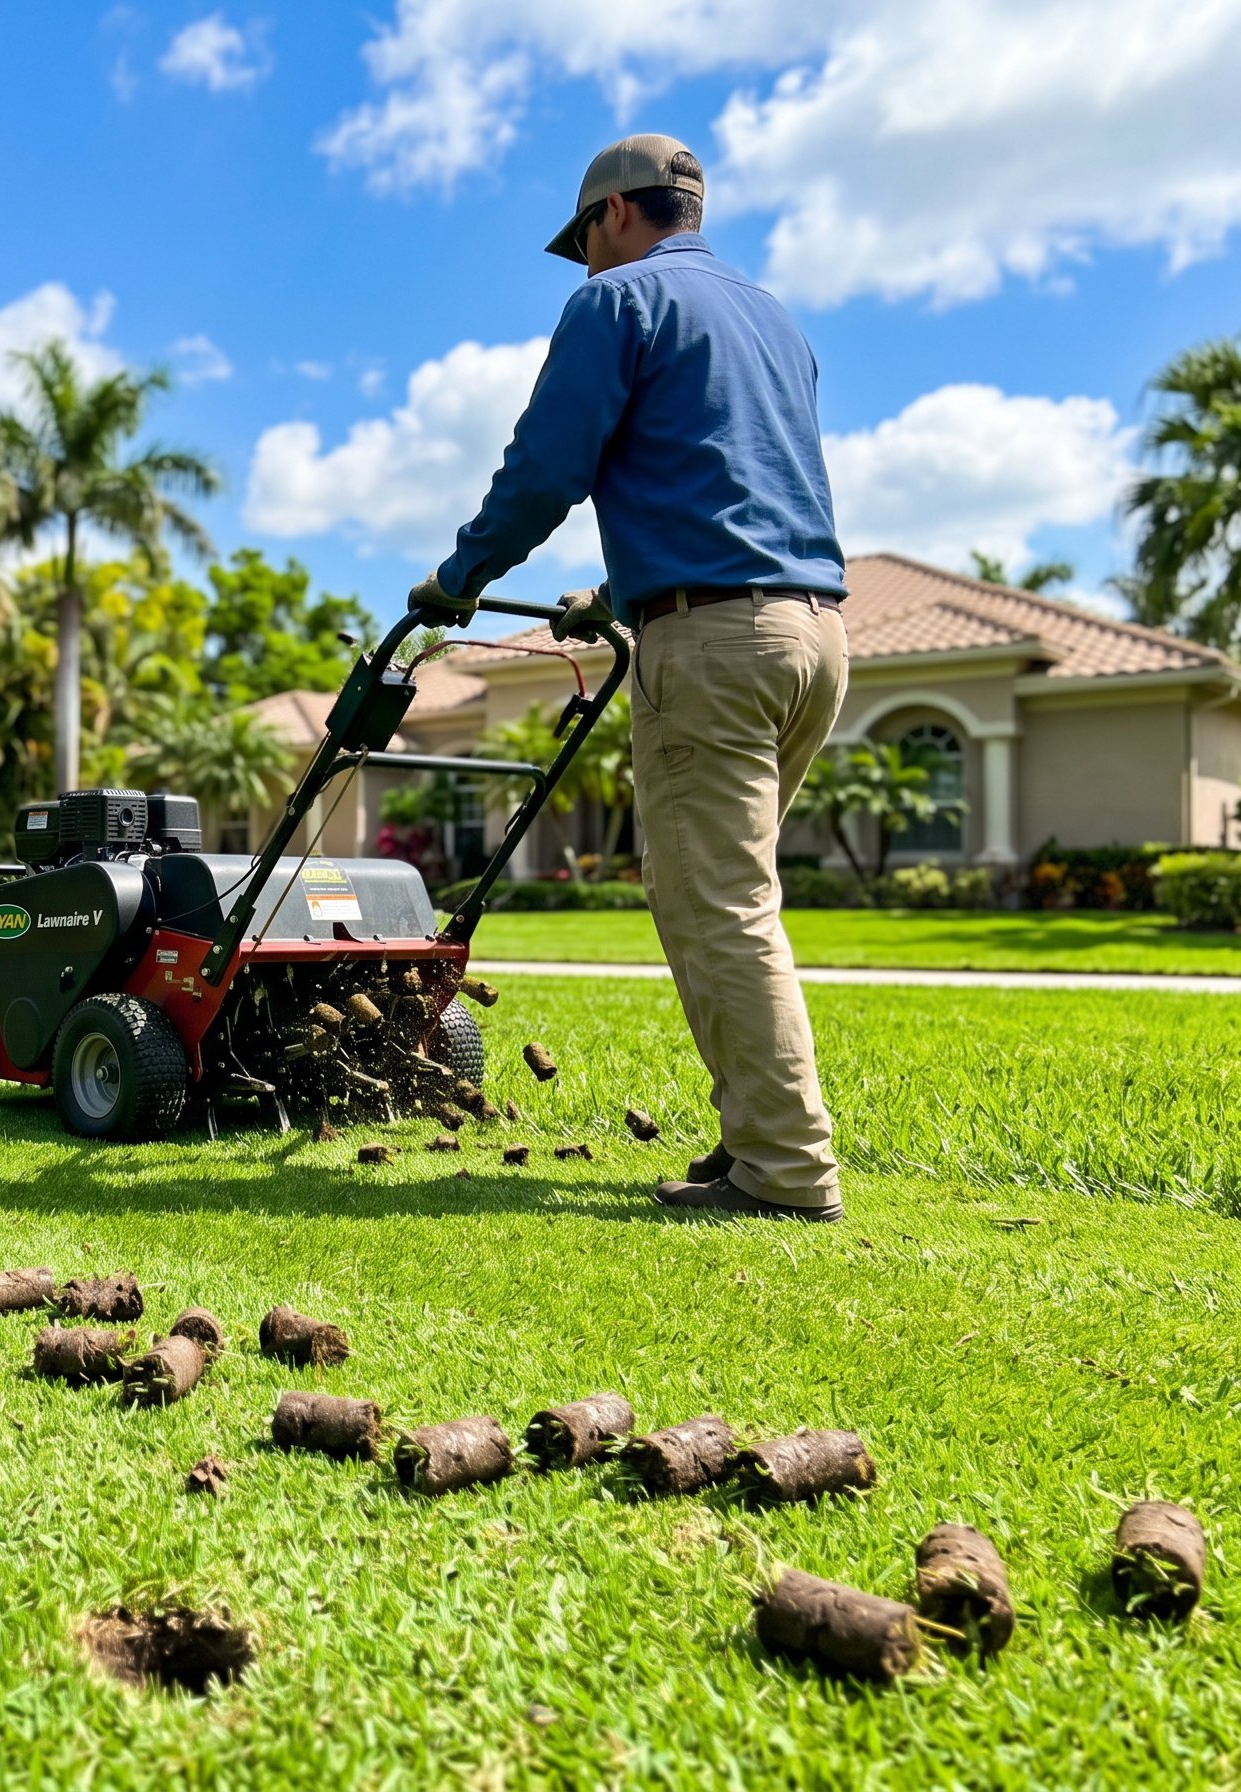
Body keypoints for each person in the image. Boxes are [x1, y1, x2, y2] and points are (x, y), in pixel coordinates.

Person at [412, 133, 851, 1221]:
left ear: (614, 213)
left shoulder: (616, 305)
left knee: (720, 907)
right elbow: (724, 480)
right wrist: (612, 600)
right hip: (812, 637)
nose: (587, 263)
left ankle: (787, 1171)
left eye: (585, 242)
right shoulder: (773, 319)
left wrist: (458, 579)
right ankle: (754, 1137)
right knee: (716, 897)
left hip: (713, 646)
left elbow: (549, 469)